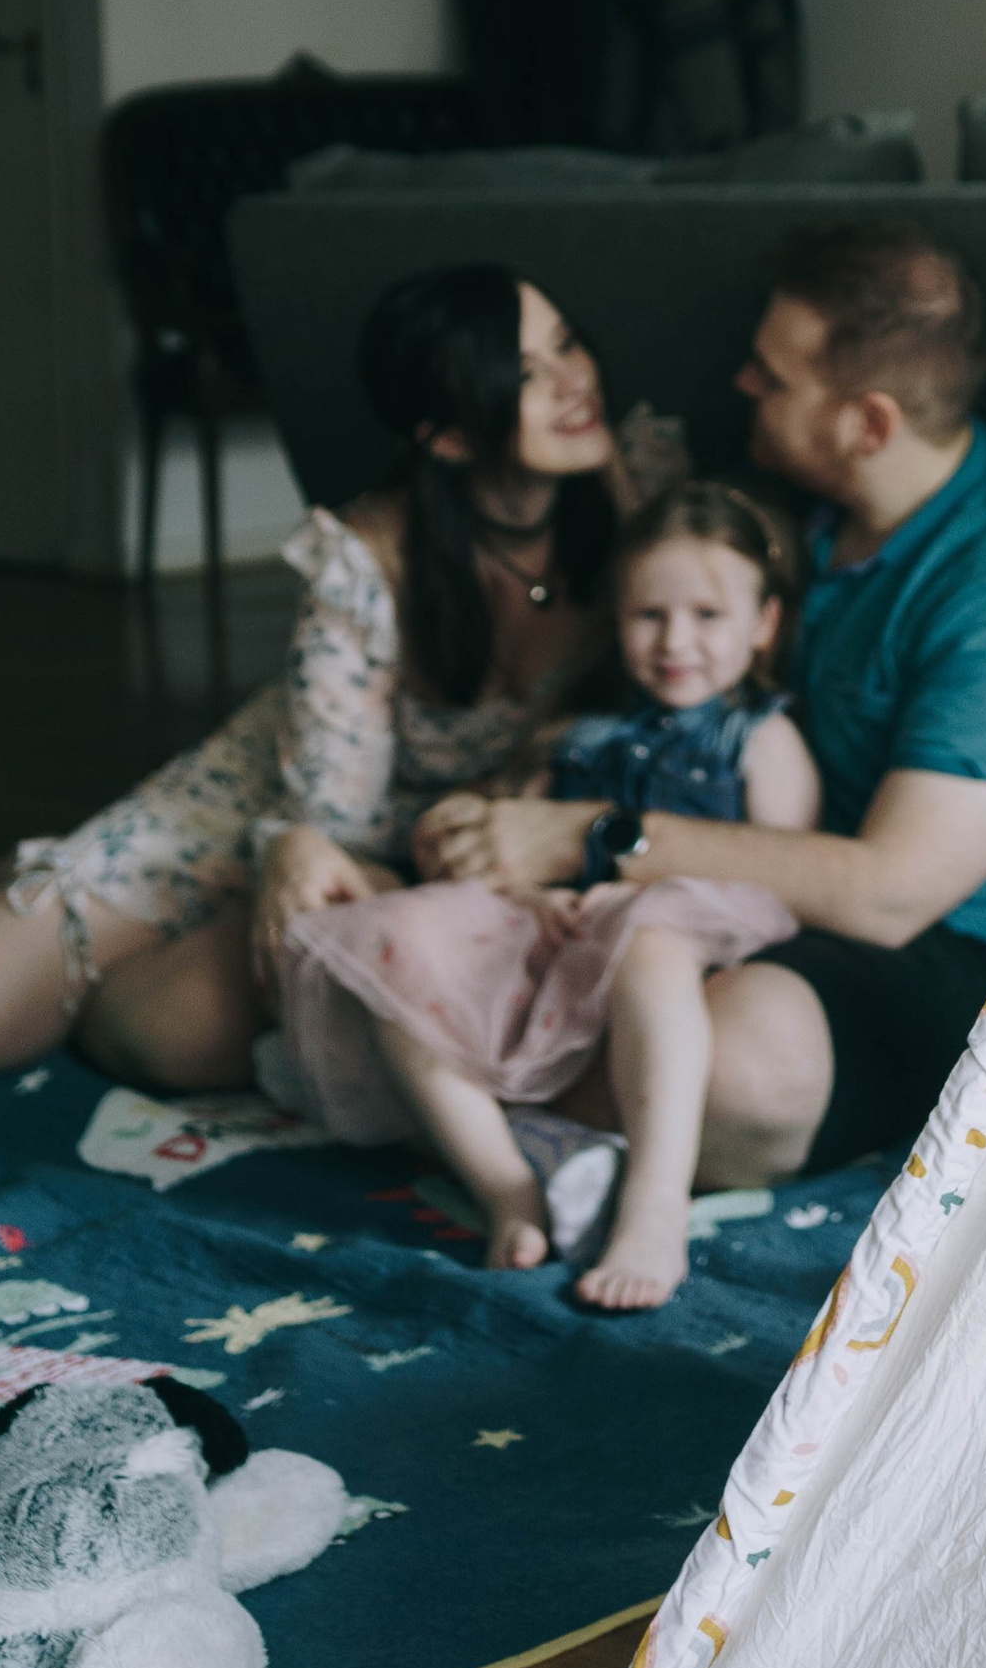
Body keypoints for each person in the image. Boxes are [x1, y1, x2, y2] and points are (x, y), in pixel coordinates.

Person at [420, 219, 986, 1196]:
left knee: (737, 1060)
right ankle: (500, 1100)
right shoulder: (792, 514)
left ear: (867, 423)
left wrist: (591, 834)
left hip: (941, 952)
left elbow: (890, 895)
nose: (742, 386)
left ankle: (446, 1093)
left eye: (772, 377)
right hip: (734, 888)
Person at [0, 266, 680, 1092]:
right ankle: (13, 907)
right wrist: (297, 854)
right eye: (526, 374)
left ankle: (127, 987)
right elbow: (332, 815)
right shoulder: (369, 558)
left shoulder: (638, 492)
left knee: (179, 1040)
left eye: (566, 344)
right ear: (449, 437)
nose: (574, 381)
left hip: (433, 854)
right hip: (277, 811)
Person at [277, 481, 818, 1295]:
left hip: (672, 944)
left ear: (765, 624)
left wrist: (641, 892)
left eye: (708, 617)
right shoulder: (579, 730)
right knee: (403, 952)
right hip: (555, 939)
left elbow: (783, 874)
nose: (677, 641)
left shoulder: (762, 740)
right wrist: (534, 897)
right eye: (649, 615)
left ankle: (653, 1205)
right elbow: (503, 848)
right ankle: (505, 1185)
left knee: (654, 942)